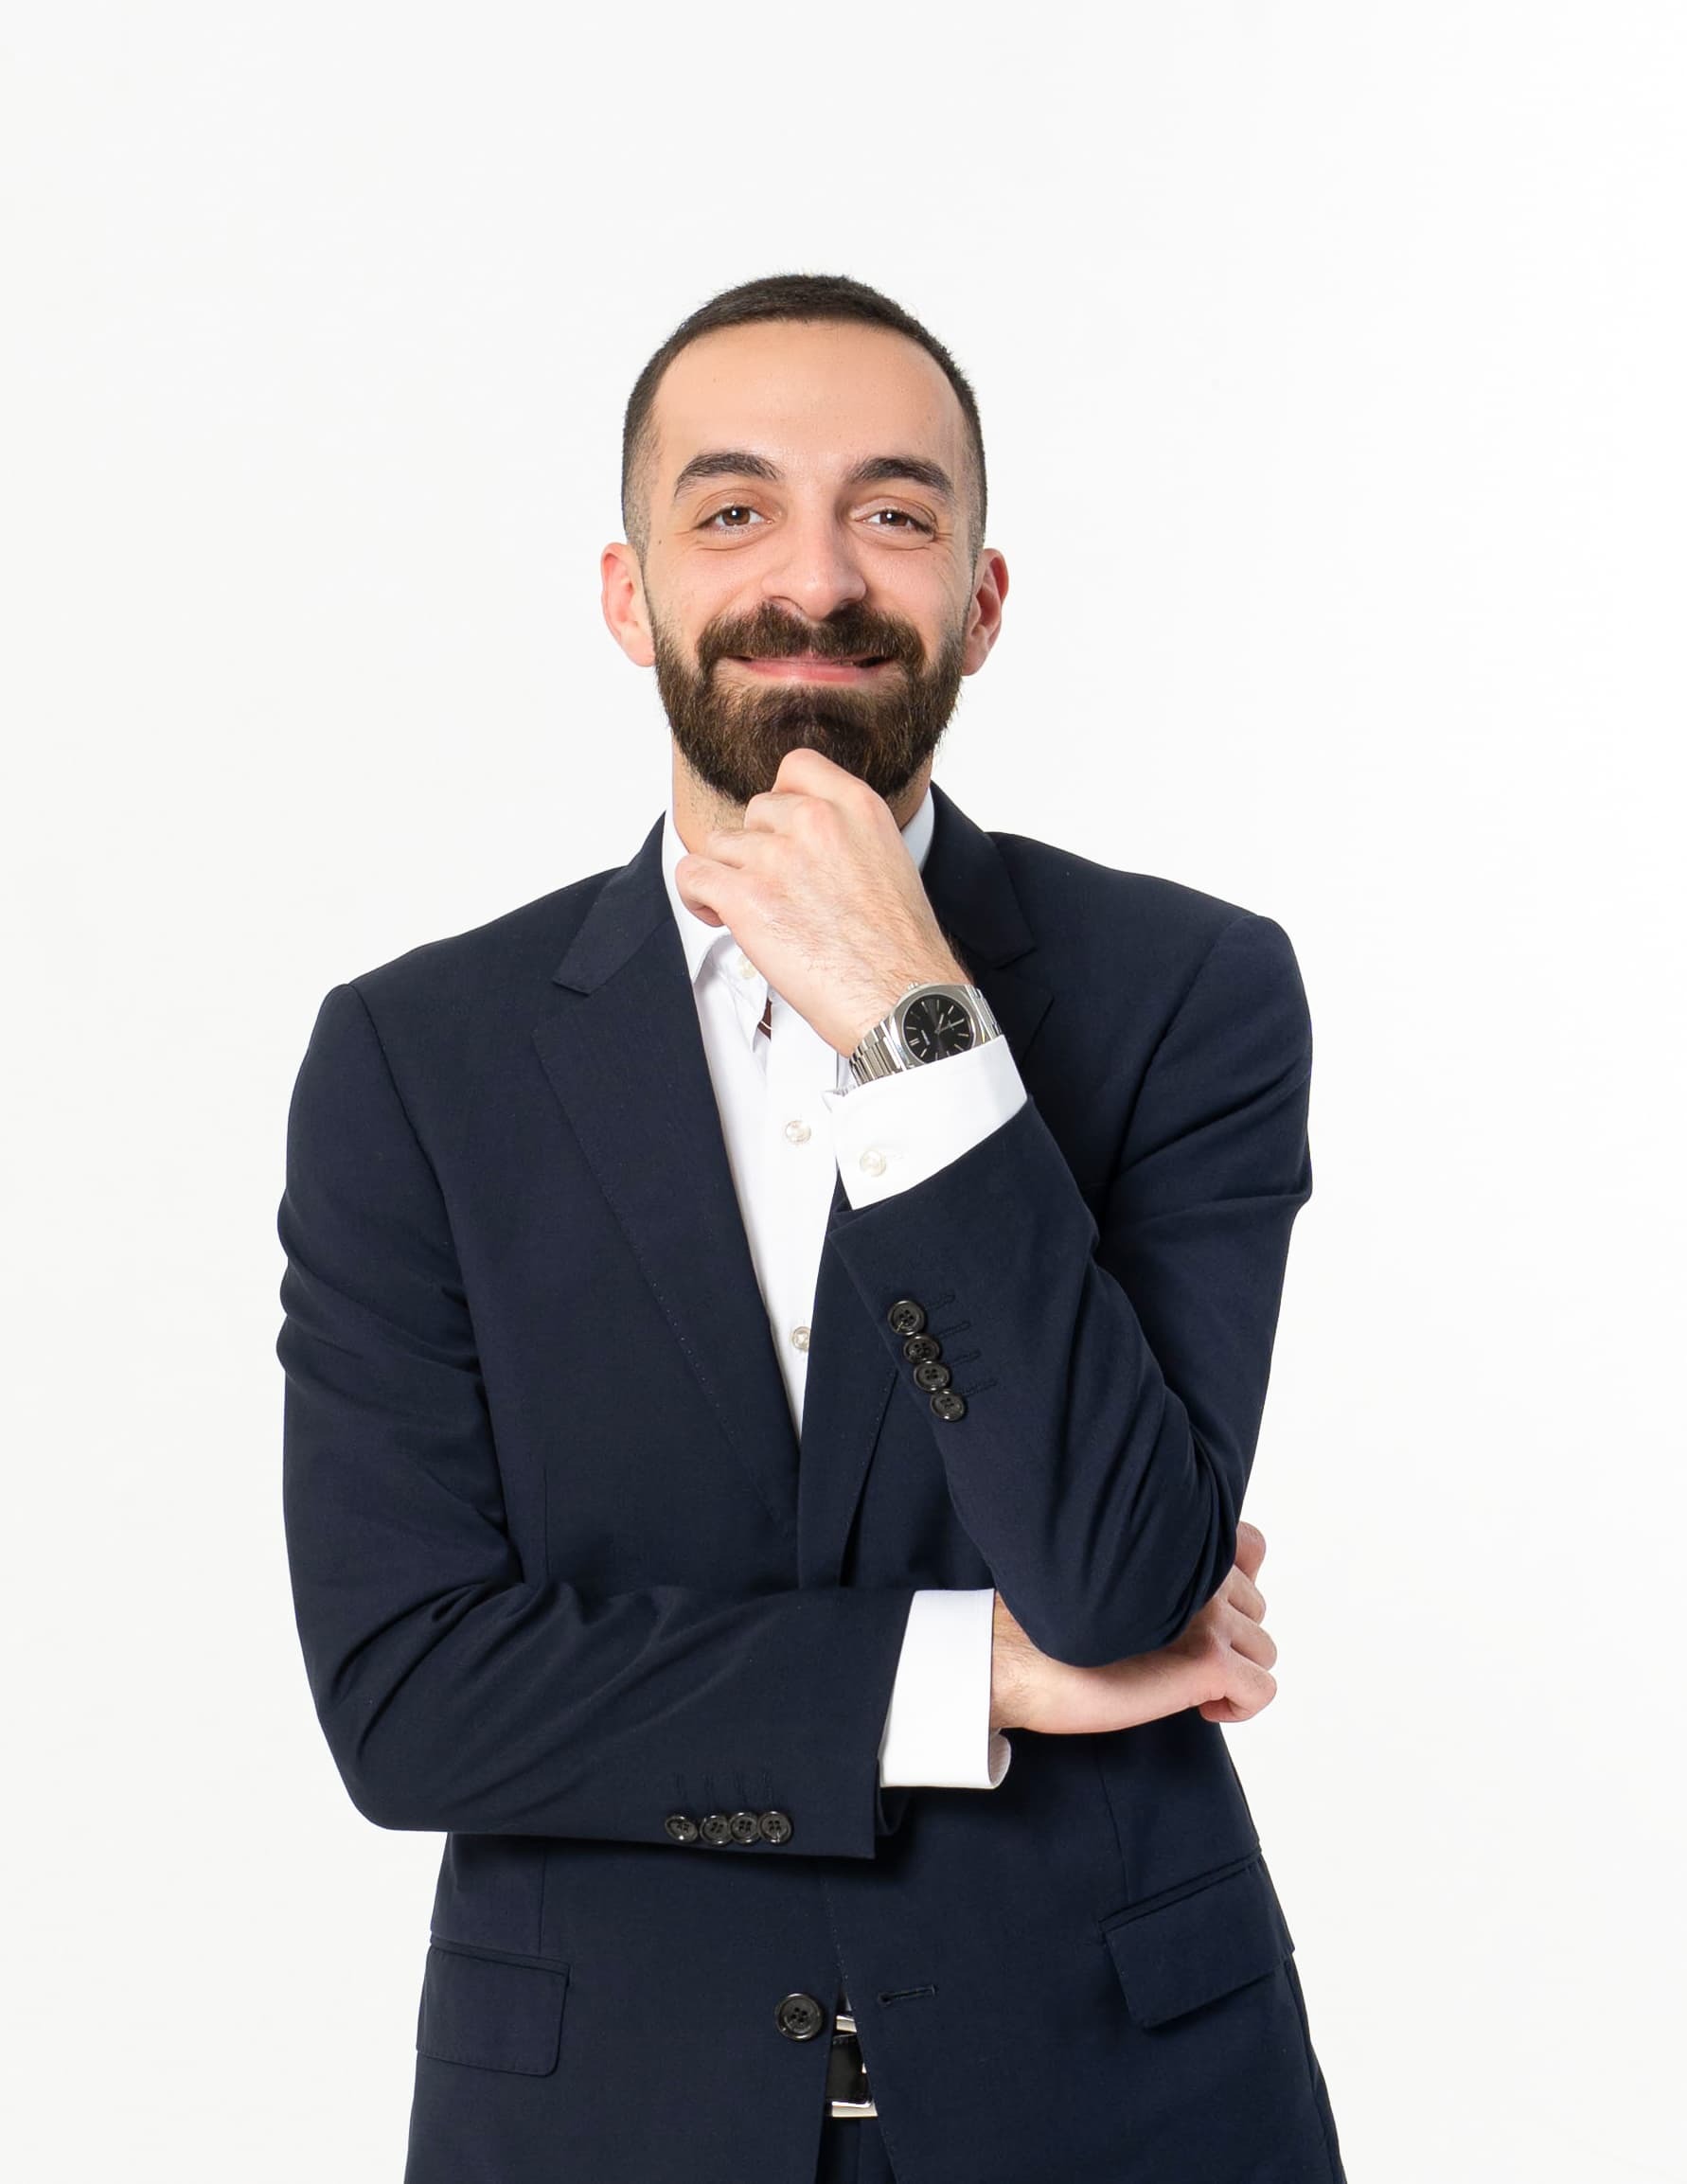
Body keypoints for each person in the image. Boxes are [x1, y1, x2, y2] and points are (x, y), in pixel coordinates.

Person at [275, 271, 1347, 2184]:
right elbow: (409, 1702)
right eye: (732, 509)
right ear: (630, 597)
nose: (818, 576)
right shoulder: (417, 1060)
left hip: (1120, 2110)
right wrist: (962, 1674)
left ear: (979, 601)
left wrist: (910, 1021)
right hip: (600, 2119)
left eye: (893, 512)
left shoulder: (1186, 994)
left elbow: (1117, 1578)